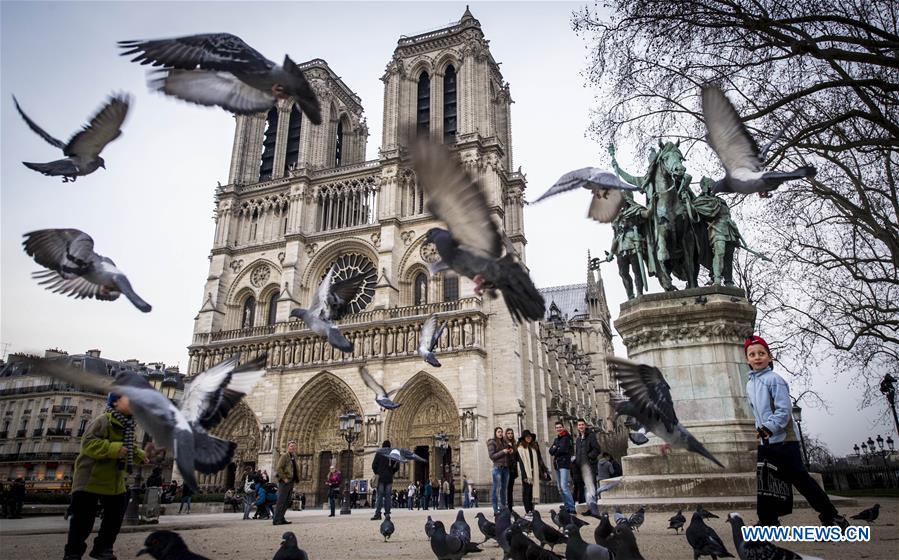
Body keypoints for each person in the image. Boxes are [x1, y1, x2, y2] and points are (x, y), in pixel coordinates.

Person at [744, 335, 849, 529]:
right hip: (766, 440)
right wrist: (760, 431)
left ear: (770, 357)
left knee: (800, 479)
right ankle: (768, 521)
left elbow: (784, 411)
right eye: (752, 354)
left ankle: (832, 517)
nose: (757, 357)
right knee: (766, 481)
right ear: (747, 359)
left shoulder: (775, 380)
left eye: (761, 353)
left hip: (784, 440)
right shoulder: (750, 384)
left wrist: (769, 427)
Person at [64, 392, 147, 560]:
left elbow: (127, 446)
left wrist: (139, 455)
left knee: (115, 518)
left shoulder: (128, 426)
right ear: (115, 403)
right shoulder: (103, 420)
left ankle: (103, 548)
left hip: (113, 481)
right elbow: (87, 444)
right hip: (90, 479)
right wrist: (114, 449)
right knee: (83, 522)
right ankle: (73, 553)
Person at [574, 418, 602, 517]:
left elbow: (597, 449)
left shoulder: (591, 436)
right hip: (581, 466)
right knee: (586, 488)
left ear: (585, 426)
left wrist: (589, 458)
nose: (581, 426)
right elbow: (578, 453)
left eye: (582, 425)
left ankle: (595, 509)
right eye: (579, 425)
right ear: (577, 427)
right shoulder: (578, 439)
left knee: (591, 487)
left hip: (590, 465)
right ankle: (590, 508)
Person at [549, 421, 576, 514]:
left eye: (560, 427)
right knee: (560, 488)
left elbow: (563, 449)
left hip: (564, 464)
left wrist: (556, 448)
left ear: (563, 427)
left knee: (564, 486)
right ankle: (566, 506)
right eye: (557, 427)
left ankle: (572, 507)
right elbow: (550, 451)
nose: (558, 429)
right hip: (557, 465)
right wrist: (557, 448)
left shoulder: (566, 437)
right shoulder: (557, 439)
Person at [516, 429, 545, 514]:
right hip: (526, 474)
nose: (529, 438)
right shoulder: (520, 449)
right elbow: (521, 463)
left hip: (534, 472)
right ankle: (527, 510)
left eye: (530, 437)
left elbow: (539, 459)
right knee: (527, 492)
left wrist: (543, 470)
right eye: (527, 437)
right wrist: (524, 476)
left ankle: (532, 509)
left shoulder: (533, 448)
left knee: (533, 492)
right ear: (524, 438)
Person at [371, 440, 400, 520]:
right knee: (388, 497)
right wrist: (391, 472)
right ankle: (387, 514)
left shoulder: (379, 453)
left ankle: (377, 514)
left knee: (379, 496)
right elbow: (397, 466)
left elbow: (373, 465)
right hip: (389, 478)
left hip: (380, 478)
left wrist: (377, 473)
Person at [487, 426, 512, 514]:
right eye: (498, 432)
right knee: (496, 489)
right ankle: (495, 509)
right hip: (497, 468)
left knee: (504, 489)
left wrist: (509, 452)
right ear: (495, 433)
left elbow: (507, 456)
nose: (500, 433)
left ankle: (503, 508)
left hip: (505, 468)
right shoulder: (492, 442)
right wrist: (503, 452)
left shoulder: (505, 442)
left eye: (501, 431)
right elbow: (492, 456)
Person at [274, 440, 299, 525]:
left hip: (291, 481)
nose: (293, 448)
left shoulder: (293, 456)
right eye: (291, 446)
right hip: (285, 481)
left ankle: (281, 518)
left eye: (294, 446)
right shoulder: (284, 456)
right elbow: (279, 468)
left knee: (287, 501)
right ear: (288, 447)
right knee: (281, 501)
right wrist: (284, 478)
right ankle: (276, 519)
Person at [505, 428, 519, 509]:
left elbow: (517, 458)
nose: (510, 435)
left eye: (511, 433)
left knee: (510, 489)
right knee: (505, 488)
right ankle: (505, 506)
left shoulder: (515, 444)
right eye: (508, 433)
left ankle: (510, 508)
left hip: (513, 469)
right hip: (506, 469)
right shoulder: (504, 443)